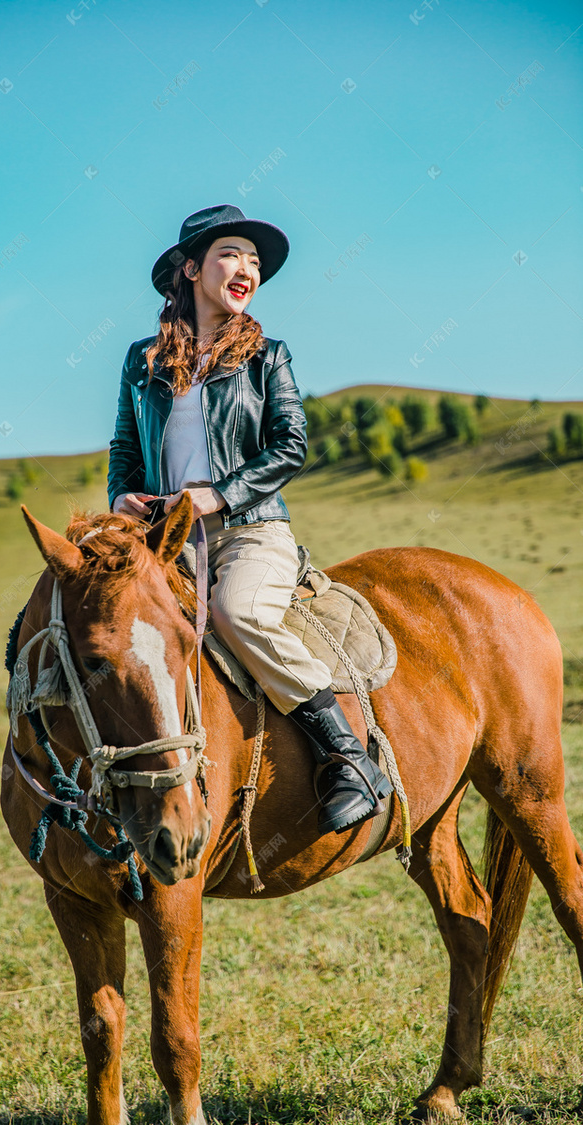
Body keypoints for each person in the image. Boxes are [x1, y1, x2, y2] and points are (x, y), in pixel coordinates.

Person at [107, 203, 392, 835]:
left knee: (238, 611)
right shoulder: (142, 359)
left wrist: (221, 494)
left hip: (252, 528)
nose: (247, 269)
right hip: (161, 538)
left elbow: (291, 444)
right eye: (230, 255)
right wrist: (121, 498)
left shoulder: (269, 355)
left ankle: (348, 756)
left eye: (255, 261)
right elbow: (125, 450)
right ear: (190, 270)